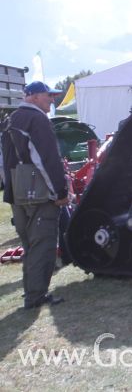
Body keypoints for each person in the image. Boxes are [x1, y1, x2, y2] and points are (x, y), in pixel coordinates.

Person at [1, 81, 69, 309]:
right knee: (43, 246)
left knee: (30, 246)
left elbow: (7, 162)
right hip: (39, 194)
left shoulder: (11, 120)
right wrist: (60, 191)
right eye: (47, 95)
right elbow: (46, 159)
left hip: (17, 194)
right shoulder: (37, 120)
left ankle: (31, 291)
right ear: (32, 97)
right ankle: (36, 296)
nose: (52, 99)